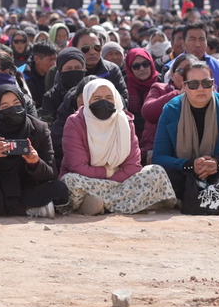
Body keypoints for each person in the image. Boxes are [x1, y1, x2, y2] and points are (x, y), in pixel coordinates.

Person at [151, 59, 219, 209]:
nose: (200, 89)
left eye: (206, 83)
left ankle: (189, 199)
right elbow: (159, 156)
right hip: (186, 171)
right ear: (184, 86)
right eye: (193, 84)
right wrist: (191, 165)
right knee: (157, 172)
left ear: (213, 85)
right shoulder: (171, 110)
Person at [59, 79, 176, 215]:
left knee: (156, 172)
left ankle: (101, 204)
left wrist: (111, 184)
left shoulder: (125, 122)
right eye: (97, 98)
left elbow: (133, 166)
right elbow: (77, 166)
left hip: (120, 181)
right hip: (87, 180)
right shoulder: (75, 122)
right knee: (70, 182)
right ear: (87, 100)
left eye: (109, 98)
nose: (104, 102)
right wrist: (108, 172)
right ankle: (133, 203)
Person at [0, 84, 68, 218]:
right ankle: (28, 208)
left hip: (28, 187)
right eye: (5, 106)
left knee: (58, 188)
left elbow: (52, 173)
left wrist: (35, 163)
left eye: (16, 103)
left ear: (23, 103)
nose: (12, 109)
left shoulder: (39, 128)